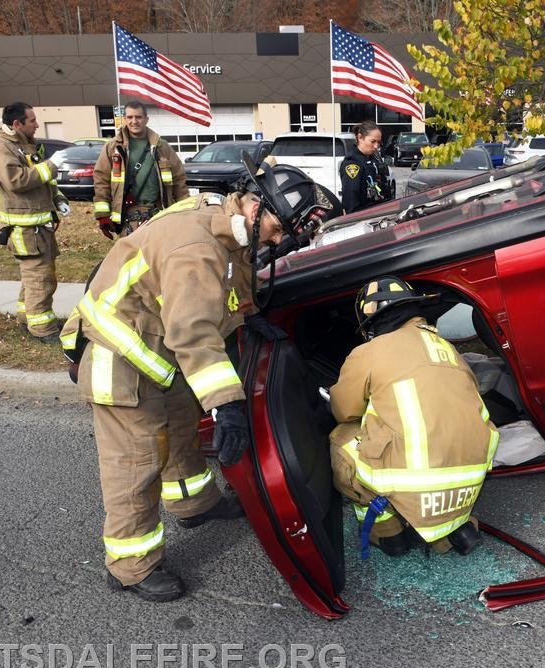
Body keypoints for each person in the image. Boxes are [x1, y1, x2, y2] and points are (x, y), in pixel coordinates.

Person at [60, 161, 336, 602]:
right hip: (122, 359)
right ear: (254, 205)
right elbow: (193, 331)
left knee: (181, 434)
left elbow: (230, 280)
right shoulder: (195, 248)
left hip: (158, 352)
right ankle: (130, 567)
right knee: (137, 464)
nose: (279, 241)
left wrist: (248, 316)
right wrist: (226, 405)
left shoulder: (225, 222)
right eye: (279, 228)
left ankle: (194, 504)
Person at [328, 276, 499, 557]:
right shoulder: (448, 349)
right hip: (470, 479)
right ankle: (449, 530)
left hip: (417, 482)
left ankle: (387, 534)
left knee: (341, 438)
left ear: (371, 324)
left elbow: (344, 410)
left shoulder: (370, 351)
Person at [0, 102, 70, 344]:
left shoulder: (24, 146)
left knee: (33, 278)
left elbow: (44, 182)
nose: (37, 124)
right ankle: (43, 329)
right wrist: (51, 166)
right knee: (39, 278)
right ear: (17, 123)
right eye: (32, 120)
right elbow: (16, 180)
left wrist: (59, 199)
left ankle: (28, 319)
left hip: (38, 227)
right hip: (25, 229)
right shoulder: (1, 148)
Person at [92, 100, 188, 239]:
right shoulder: (113, 147)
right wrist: (103, 216)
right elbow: (101, 181)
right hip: (127, 219)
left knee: (157, 258)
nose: (134, 121)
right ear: (124, 119)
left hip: (158, 215)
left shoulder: (162, 147)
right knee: (131, 259)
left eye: (138, 117)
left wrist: (185, 210)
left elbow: (179, 180)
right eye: (130, 117)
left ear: (146, 119)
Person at [339, 121, 393, 214]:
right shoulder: (352, 165)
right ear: (360, 138)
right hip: (363, 218)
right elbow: (351, 203)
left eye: (378, 142)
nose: (376, 146)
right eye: (373, 141)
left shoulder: (374, 159)